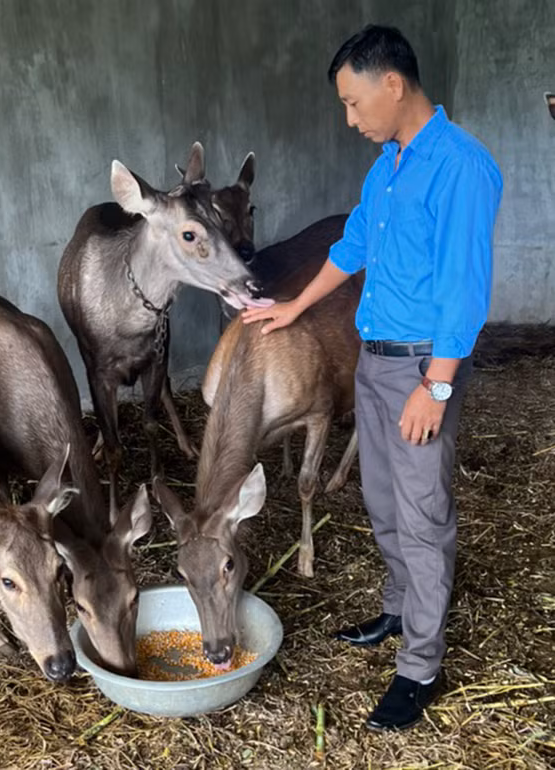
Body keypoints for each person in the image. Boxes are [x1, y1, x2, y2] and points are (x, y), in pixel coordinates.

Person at [242, 25, 502, 731]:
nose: (351, 121)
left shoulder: (460, 166)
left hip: (423, 364)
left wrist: (437, 385)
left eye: (354, 104)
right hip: (376, 360)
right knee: (384, 501)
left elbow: (465, 289)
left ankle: (420, 666)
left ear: (393, 83)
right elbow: (353, 244)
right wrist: (294, 304)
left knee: (422, 516)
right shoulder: (387, 166)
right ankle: (397, 609)